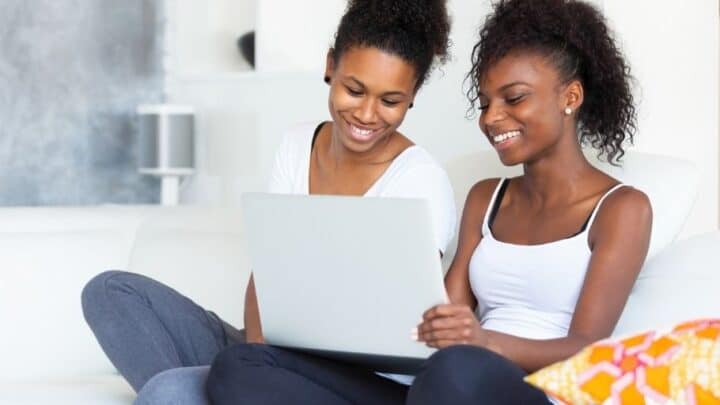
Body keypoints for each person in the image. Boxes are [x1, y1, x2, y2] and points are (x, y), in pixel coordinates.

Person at [207, 0, 653, 404]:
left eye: (513, 98)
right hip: (445, 381)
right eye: (485, 102)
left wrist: (482, 342)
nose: (492, 118)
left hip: (534, 390)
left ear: (569, 97)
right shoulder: (486, 197)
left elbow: (588, 345)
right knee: (240, 368)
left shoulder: (622, 209)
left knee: (456, 371)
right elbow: (444, 319)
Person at [80, 0, 454, 403]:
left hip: (356, 383)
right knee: (109, 291)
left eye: (390, 101)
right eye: (354, 89)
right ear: (330, 66)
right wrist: (256, 358)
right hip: (266, 360)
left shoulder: (421, 181)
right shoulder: (297, 144)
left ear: (412, 96)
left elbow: (405, 331)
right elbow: (266, 277)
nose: (366, 113)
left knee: (168, 392)